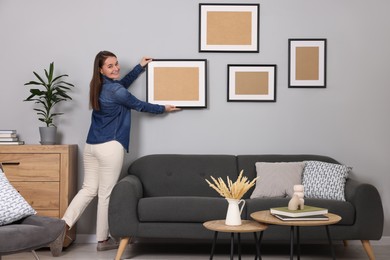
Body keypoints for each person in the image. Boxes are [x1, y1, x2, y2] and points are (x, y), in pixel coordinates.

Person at [62, 51, 180, 251]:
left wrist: (139, 67)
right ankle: (102, 240)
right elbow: (139, 105)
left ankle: (61, 226)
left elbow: (121, 86)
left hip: (91, 146)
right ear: (101, 69)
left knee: (88, 190)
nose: (116, 68)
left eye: (116, 64)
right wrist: (164, 109)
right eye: (110, 66)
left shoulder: (99, 86)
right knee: (105, 194)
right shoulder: (117, 91)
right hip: (110, 146)